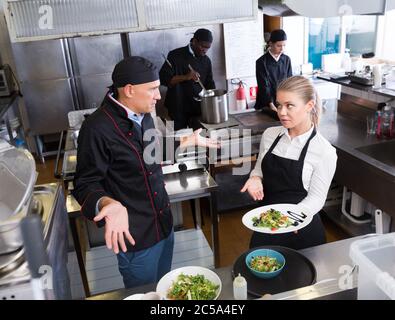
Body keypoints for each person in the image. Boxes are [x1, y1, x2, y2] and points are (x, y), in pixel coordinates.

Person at [72, 56, 218, 288]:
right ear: (129, 90)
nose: (158, 95)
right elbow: (84, 183)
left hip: (163, 223)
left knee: (163, 288)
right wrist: (107, 203)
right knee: (144, 292)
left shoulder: (143, 114)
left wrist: (185, 140)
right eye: (152, 89)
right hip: (136, 236)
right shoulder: (98, 128)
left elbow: (151, 150)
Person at [241, 75, 337, 250]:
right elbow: (259, 169)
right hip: (267, 223)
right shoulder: (270, 135)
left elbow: (317, 198)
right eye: (279, 105)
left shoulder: (324, 151)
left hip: (301, 228)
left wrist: (291, 218)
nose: (282, 112)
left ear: (309, 105)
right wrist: (255, 178)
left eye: (289, 105)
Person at [159, 28, 216, 131]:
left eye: (208, 48)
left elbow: (209, 83)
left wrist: (213, 99)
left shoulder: (206, 60)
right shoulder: (175, 55)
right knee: (180, 141)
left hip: (198, 108)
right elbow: (164, 80)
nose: (205, 50)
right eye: (202, 46)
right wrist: (186, 77)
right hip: (178, 107)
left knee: (199, 139)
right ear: (194, 41)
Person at [254, 29, 293, 112]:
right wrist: (271, 104)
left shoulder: (286, 60)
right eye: (279, 46)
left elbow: (290, 83)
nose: (282, 49)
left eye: (284, 45)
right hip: (266, 105)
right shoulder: (261, 62)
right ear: (271, 44)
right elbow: (263, 86)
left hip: (282, 103)